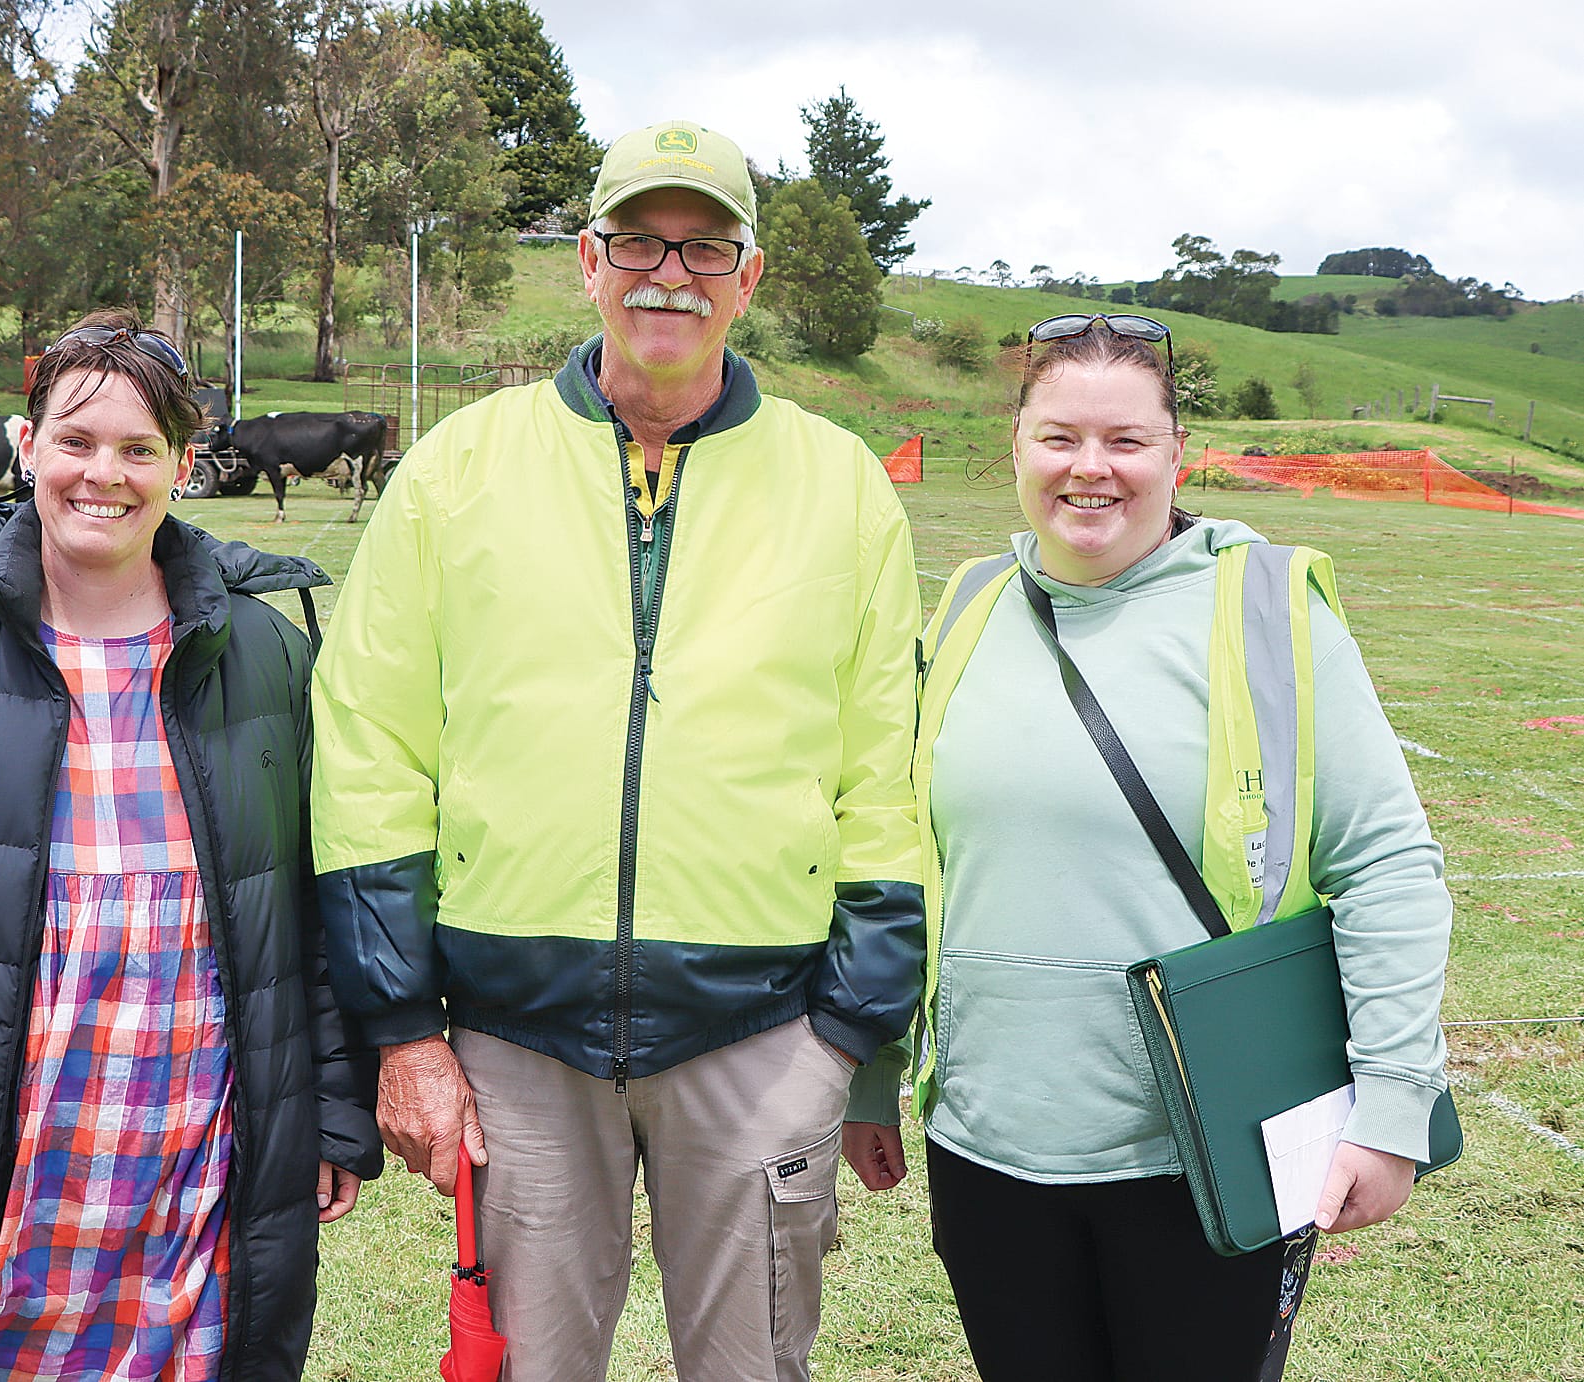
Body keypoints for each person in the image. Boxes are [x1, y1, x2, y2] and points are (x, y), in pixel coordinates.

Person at [310, 119, 926, 1382]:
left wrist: (843, 1032)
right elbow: (371, 743)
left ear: (748, 277)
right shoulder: (455, 471)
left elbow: (884, 765)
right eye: (641, 238)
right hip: (515, 1036)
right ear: (587, 259)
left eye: (706, 246)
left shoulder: (842, 484)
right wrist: (403, 1031)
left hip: (763, 1036)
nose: (670, 271)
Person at [0, 308, 381, 1381]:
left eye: (141, 448)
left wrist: (333, 1101)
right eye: (77, 441)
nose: (106, 474)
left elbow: (320, 906)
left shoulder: (270, 659)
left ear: (183, 465)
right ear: (25, 445)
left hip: (194, 1189)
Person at [844, 313, 1452, 1382]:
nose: (1090, 468)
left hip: (1202, 1152)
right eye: (1057, 437)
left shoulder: (1264, 603)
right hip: (985, 1147)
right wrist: (872, 1070)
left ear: (1176, 454)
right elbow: (907, 857)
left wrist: (1392, 1101)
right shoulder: (972, 602)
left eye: (1125, 440)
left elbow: (1385, 862)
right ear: (1016, 449)